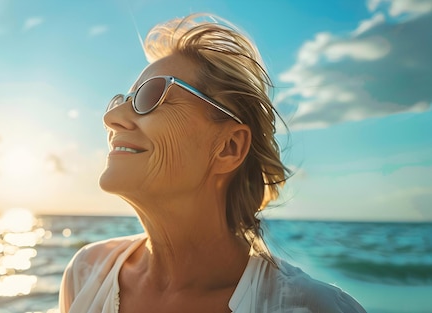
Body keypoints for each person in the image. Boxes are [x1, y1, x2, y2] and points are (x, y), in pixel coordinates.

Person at [59, 13, 366, 313]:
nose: (110, 118)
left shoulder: (313, 307)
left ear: (229, 147)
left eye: (151, 95)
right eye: (120, 101)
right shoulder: (86, 273)